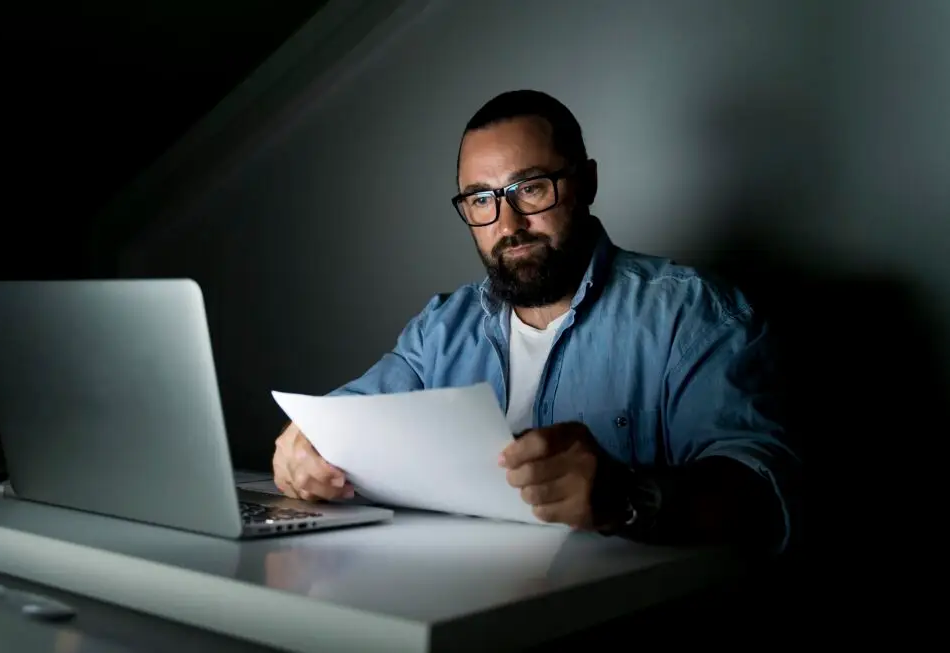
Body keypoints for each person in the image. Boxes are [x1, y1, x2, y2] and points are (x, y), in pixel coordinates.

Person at [273, 89, 800, 553]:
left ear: (587, 182)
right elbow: (344, 419)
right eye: (481, 199)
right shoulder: (442, 329)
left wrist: (626, 496)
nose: (508, 224)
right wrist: (303, 447)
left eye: (530, 188)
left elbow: (766, 495)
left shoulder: (692, 315)